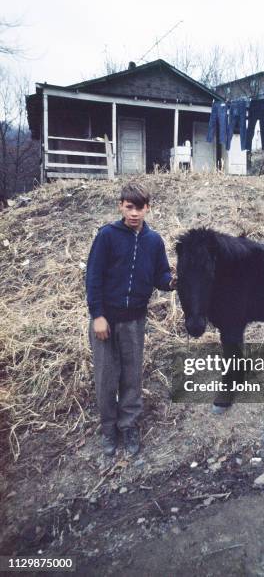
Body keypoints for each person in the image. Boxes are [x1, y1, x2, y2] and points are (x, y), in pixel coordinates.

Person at [86, 183, 176, 457]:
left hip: (135, 321)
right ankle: (109, 428)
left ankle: (129, 426)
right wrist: (98, 315)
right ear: (120, 206)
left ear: (148, 207)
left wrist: (172, 282)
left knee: (132, 377)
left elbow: (160, 275)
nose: (134, 213)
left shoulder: (154, 241)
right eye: (129, 207)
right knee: (106, 377)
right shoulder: (107, 236)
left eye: (140, 208)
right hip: (106, 321)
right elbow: (93, 277)